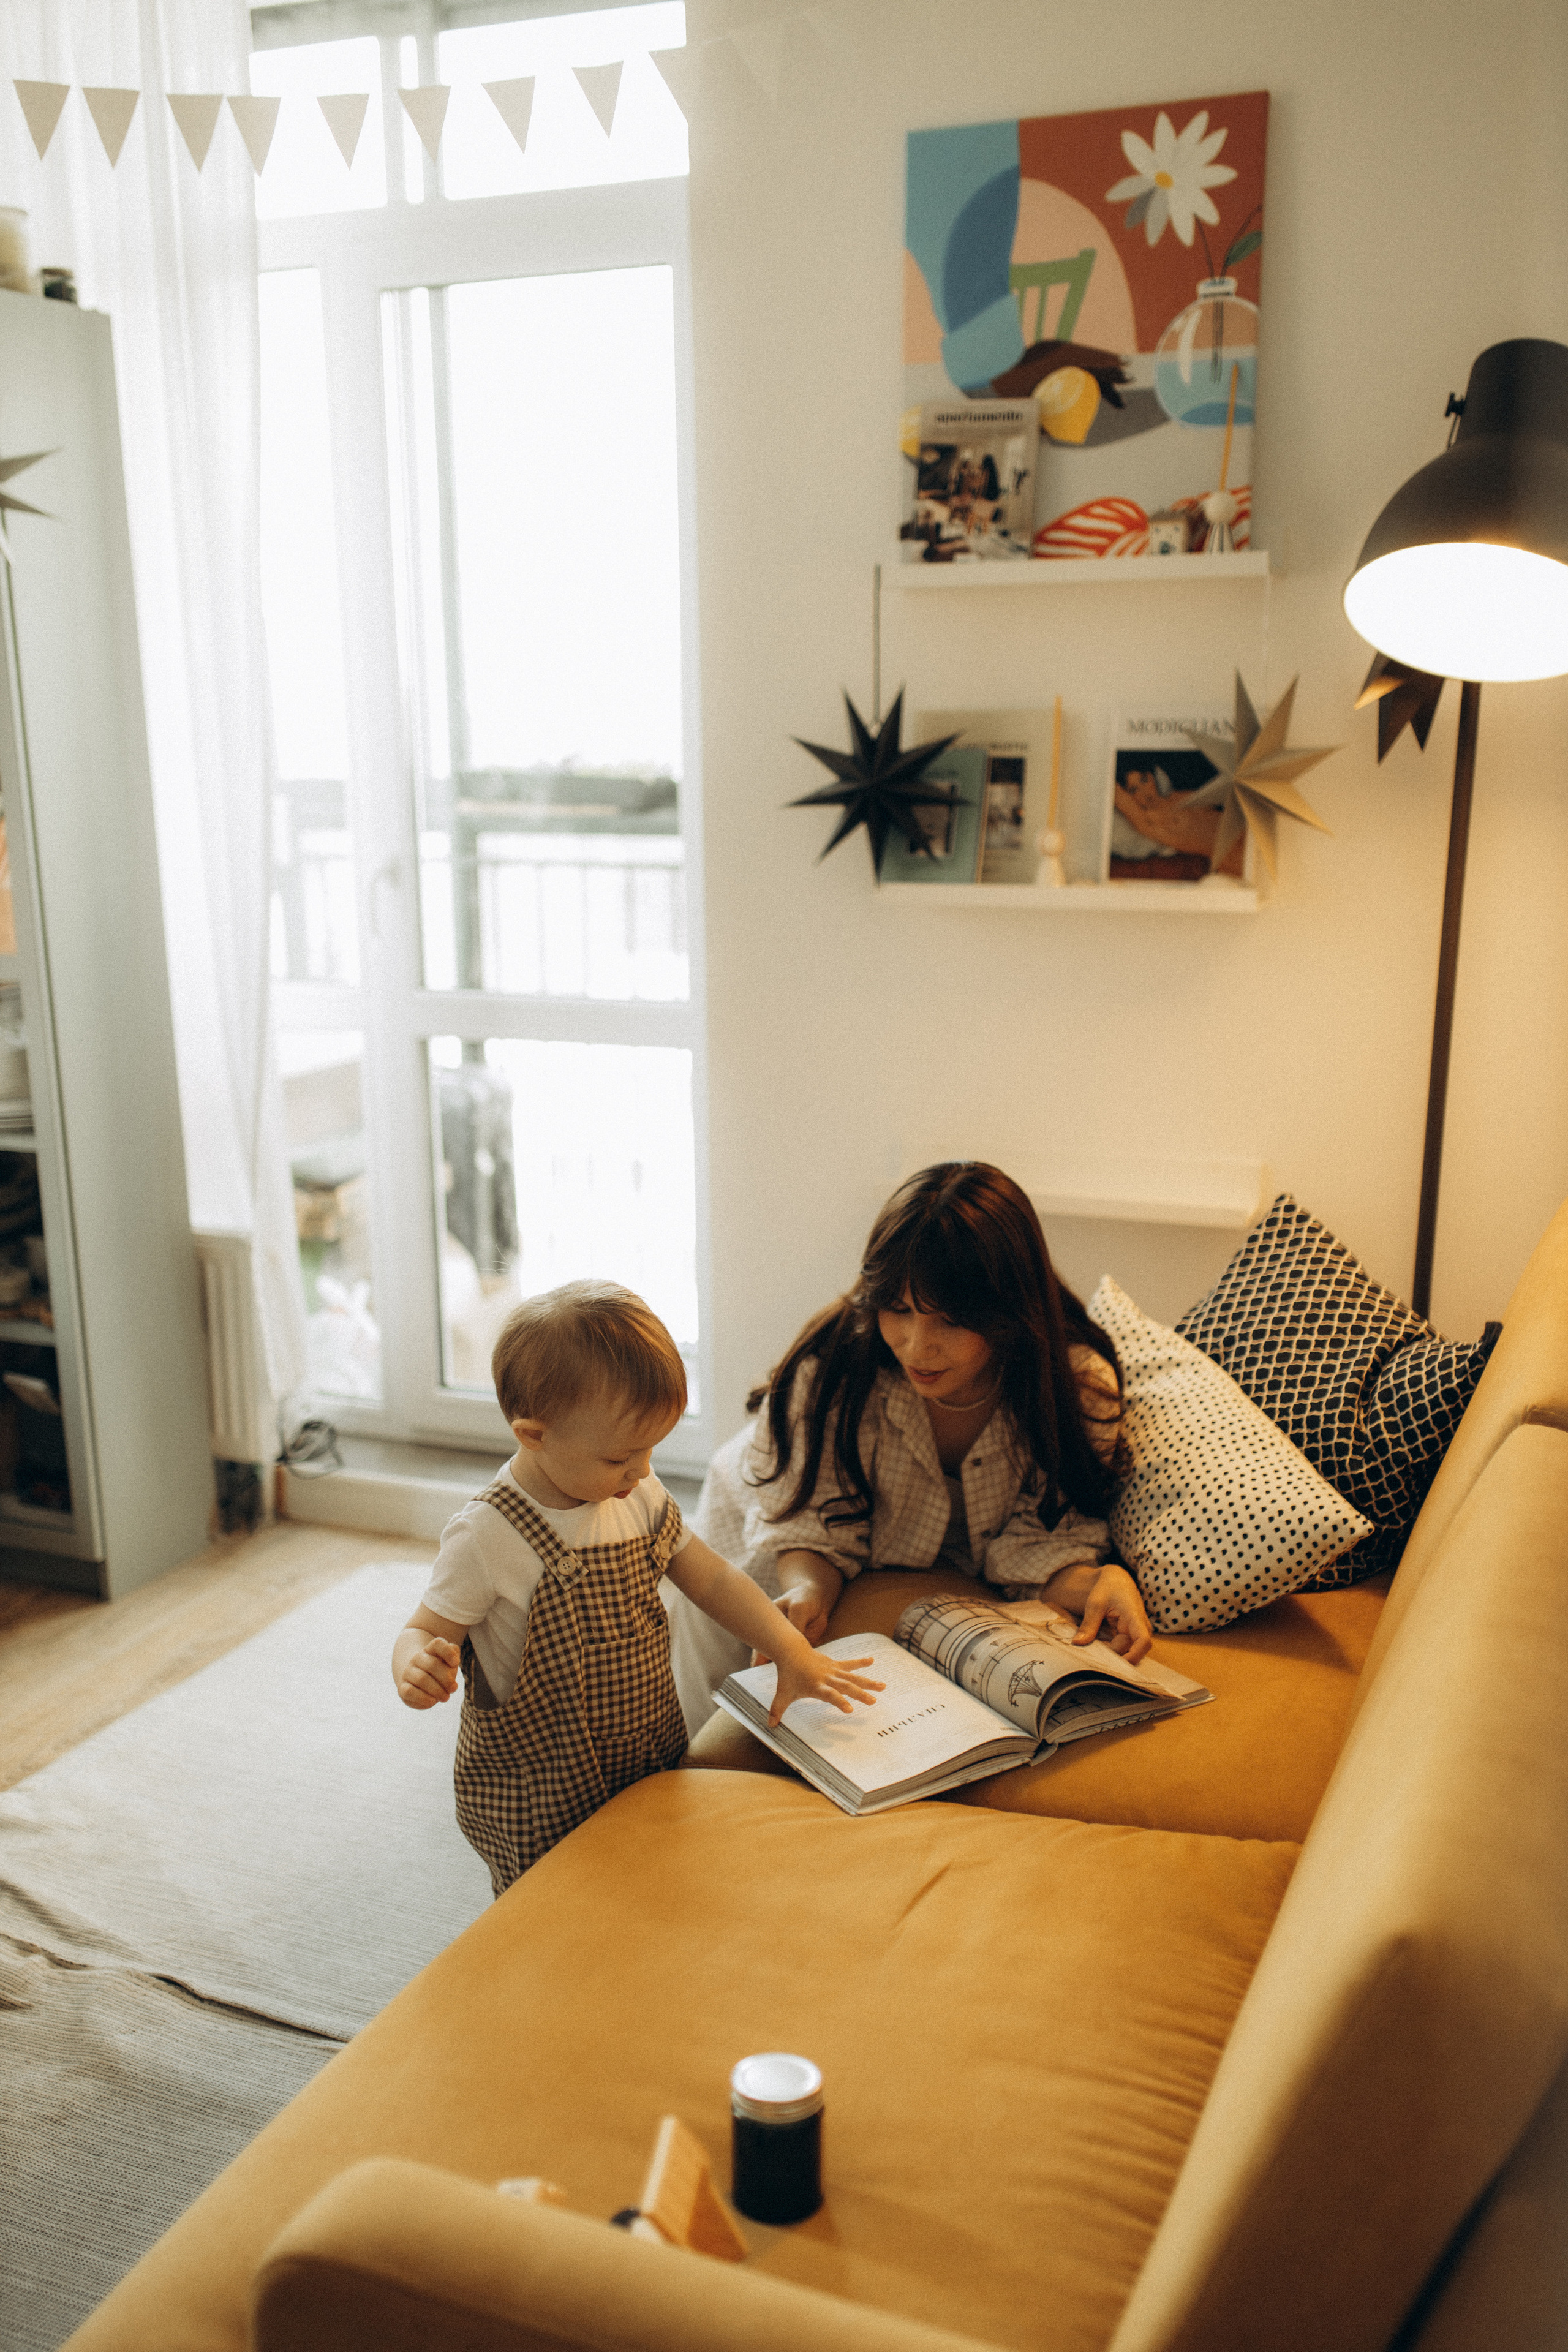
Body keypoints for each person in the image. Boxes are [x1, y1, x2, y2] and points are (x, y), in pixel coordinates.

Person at [392, 1280, 883, 1895]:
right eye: (621, 1457)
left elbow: (713, 1579)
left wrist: (790, 1648)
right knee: (555, 1902)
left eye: (650, 1450)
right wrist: (415, 1664)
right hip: (540, 1782)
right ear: (534, 1435)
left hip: (646, 1748)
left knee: (646, 1879)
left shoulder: (639, 1497)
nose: (643, 1471)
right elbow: (424, 1628)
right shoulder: (488, 1535)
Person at [670, 1163, 1152, 1732]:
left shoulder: (1073, 1389)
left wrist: (1101, 1582)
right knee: (698, 1719)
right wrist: (805, 1590)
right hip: (753, 1526)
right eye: (897, 1310)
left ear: (1008, 1311)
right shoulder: (834, 1369)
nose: (917, 1346)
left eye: (949, 1321)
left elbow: (1039, 1547)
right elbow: (809, 1527)